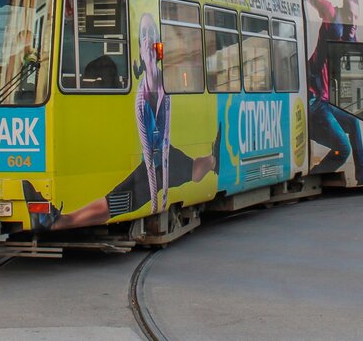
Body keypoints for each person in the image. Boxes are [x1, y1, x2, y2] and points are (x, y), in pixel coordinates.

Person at [23, 12, 220, 231]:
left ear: (157, 47)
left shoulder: (165, 85)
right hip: (152, 164)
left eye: (150, 34)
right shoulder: (142, 98)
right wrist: (157, 200)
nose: (146, 39)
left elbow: (164, 141)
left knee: (184, 171)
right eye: (142, 35)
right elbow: (149, 152)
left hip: (163, 158)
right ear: (141, 51)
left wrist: (160, 200)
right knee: (127, 193)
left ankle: (57, 220)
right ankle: (213, 160)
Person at [304, 0, 363, 184]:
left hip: (325, 101)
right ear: (342, 12)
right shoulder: (332, 14)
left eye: (357, 17)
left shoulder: (351, 35)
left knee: (354, 122)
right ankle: (312, 177)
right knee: (344, 148)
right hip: (314, 100)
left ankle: (361, 178)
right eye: (350, 16)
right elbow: (315, 0)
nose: (354, 22)